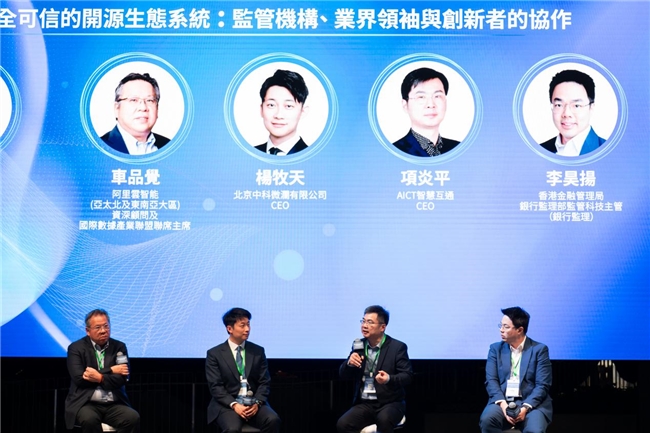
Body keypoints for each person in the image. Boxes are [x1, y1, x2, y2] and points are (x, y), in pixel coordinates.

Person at [337, 305, 413, 433]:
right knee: (343, 424)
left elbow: (407, 376)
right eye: (363, 321)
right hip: (365, 403)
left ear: (382, 327)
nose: (364, 325)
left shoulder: (397, 347)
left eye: (370, 322)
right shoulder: (359, 345)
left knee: (384, 420)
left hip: (390, 403)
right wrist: (349, 363)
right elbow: (343, 374)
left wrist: (389, 379)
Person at [205, 308, 281, 433]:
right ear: (230, 329)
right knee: (232, 429)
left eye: (248, 324)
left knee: (272, 420)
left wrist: (257, 403)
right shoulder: (215, 354)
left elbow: (264, 382)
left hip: (253, 403)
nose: (247, 329)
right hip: (228, 405)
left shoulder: (257, 351)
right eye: (242, 325)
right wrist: (235, 405)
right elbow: (216, 386)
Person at [479, 307, 552, 433]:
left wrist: (525, 408)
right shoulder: (495, 349)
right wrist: (503, 405)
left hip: (532, 403)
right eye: (501, 325)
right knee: (487, 420)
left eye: (506, 327)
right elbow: (491, 380)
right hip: (503, 400)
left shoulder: (539, 350)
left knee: (535, 430)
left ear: (519, 330)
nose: (501, 330)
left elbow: (542, 385)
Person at [65, 309, 139, 432]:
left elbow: (123, 378)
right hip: (86, 403)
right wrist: (111, 370)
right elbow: (79, 378)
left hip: (114, 404)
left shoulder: (119, 347)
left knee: (132, 417)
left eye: (106, 326)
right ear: (88, 331)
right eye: (98, 327)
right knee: (89, 419)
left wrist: (99, 377)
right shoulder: (76, 348)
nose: (103, 331)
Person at [392, 67, 460, 157]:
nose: (431, 105)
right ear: (405, 105)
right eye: (421, 97)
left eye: (437, 96)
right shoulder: (394, 152)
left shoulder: (459, 149)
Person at [539, 69, 606, 156]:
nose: (566, 114)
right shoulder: (539, 151)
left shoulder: (609, 152)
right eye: (559, 105)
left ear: (591, 108)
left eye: (576, 106)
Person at [101, 72, 170, 155]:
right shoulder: (98, 148)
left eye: (149, 100)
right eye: (133, 100)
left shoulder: (169, 146)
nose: (143, 108)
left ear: (157, 108)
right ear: (117, 108)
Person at [255, 69, 309, 156]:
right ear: (261, 109)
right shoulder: (249, 155)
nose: (278, 115)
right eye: (271, 105)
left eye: (288, 106)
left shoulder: (313, 157)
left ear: (302, 112)